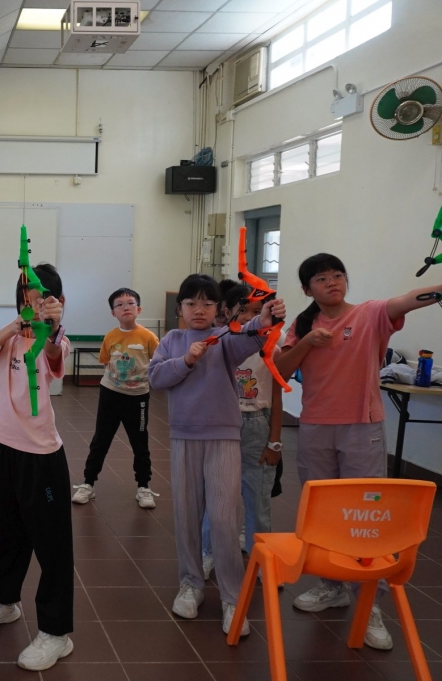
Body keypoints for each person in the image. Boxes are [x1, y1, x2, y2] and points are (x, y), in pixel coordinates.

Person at [275, 253, 442, 650]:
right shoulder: (303, 325)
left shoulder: (369, 314)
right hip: (315, 427)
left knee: (367, 514)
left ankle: (371, 602)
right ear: (307, 289)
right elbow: (281, 367)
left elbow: (407, 300)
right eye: (321, 278)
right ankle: (332, 585)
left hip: (361, 428)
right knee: (323, 512)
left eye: (337, 275)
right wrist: (308, 342)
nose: (332, 282)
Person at [148, 274, 285, 636]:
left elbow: (250, 335)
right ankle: (190, 583)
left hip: (223, 437)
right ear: (180, 309)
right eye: (191, 303)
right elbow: (156, 378)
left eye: (207, 303)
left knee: (225, 518)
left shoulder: (225, 338)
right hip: (183, 437)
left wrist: (264, 319)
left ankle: (232, 597)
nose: (199, 309)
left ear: (219, 309)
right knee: (186, 515)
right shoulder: (172, 340)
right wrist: (186, 360)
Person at [0, 263, 74, 671]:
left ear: (57, 302)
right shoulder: (10, 337)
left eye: (41, 298)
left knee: (52, 545)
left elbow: (53, 355)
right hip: (3, 448)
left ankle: (56, 632)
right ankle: (5, 601)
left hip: (41, 457)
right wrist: (14, 326)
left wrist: (51, 328)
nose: (32, 304)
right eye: (25, 296)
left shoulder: (54, 340)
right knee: (9, 534)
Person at [200, 283, 283, 579]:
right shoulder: (216, 342)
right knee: (216, 497)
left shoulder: (272, 343)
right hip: (221, 423)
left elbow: (276, 395)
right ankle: (207, 552)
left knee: (257, 499)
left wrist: (274, 442)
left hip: (256, 424)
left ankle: (261, 558)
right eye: (244, 310)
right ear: (227, 311)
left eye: (258, 311)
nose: (251, 317)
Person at [73, 288, 160, 508]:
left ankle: (144, 486)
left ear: (139, 309)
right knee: (101, 439)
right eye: (119, 305)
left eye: (130, 303)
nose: (126, 307)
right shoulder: (110, 337)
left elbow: (158, 363)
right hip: (110, 394)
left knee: (140, 442)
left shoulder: (149, 337)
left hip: (138, 397)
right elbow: (106, 361)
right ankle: (88, 483)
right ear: (113, 313)